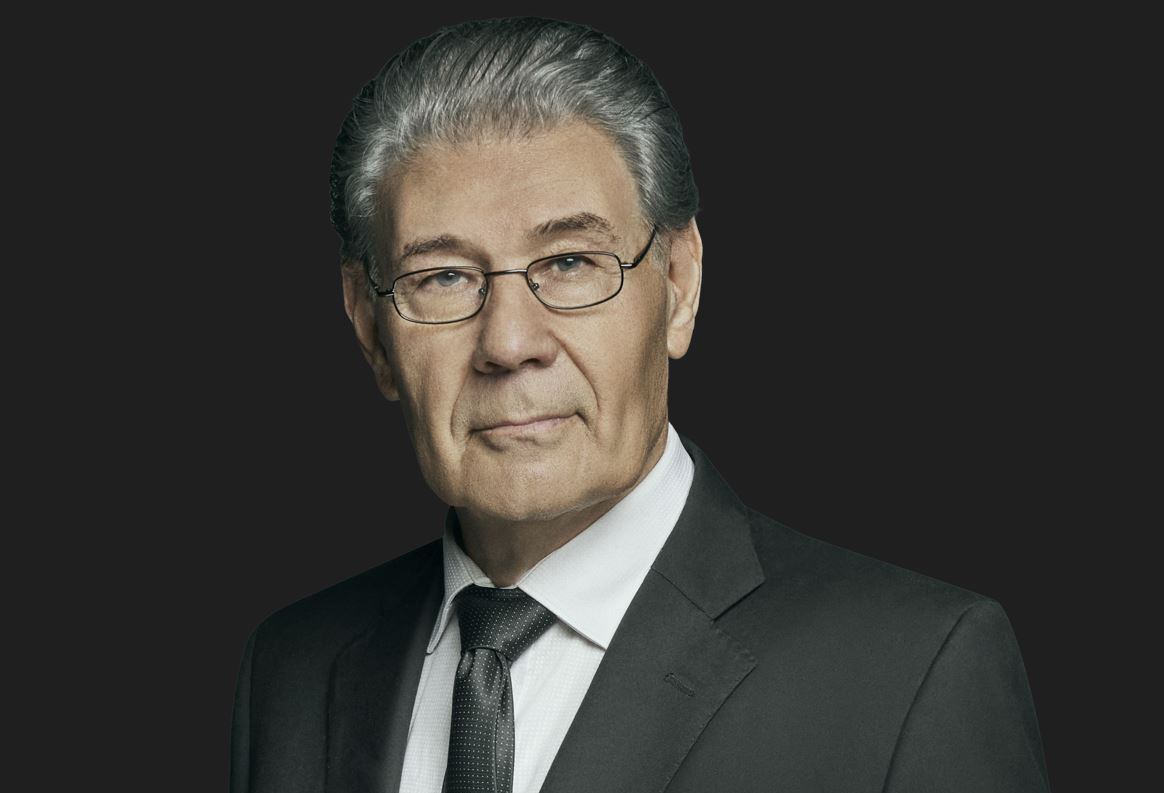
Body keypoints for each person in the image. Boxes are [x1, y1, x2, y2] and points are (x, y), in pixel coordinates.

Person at [230, 16, 1049, 793]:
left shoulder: (911, 672)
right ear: (369, 327)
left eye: (571, 262)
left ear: (679, 285)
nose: (509, 342)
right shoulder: (294, 668)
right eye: (442, 276)